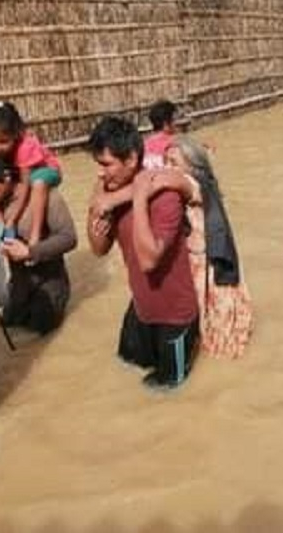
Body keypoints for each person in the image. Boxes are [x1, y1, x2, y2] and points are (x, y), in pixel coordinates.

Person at [86, 116, 200, 389]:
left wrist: (137, 199)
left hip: (175, 318)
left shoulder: (166, 197)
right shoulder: (108, 190)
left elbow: (148, 261)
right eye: (98, 164)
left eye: (106, 164)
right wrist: (96, 214)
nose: (100, 173)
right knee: (124, 370)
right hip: (140, 309)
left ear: (132, 159)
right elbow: (99, 249)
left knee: (168, 393)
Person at [148, 137, 253, 358]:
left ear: (194, 167)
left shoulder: (193, 184)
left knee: (218, 338)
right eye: (165, 161)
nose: (168, 168)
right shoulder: (199, 185)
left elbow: (175, 182)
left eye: (174, 162)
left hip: (211, 266)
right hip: (201, 263)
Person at [0, 149, 77, 336]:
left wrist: (30, 252)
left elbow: (69, 237)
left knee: (41, 333)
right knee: (6, 329)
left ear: (7, 177)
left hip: (50, 283)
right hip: (19, 285)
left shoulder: (46, 197)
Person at [0, 101, 63, 247]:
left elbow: (25, 185)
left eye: (4, 142)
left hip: (45, 169)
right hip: (21, 173)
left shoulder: (25, 147)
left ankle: (35, 234)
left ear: (15, 135)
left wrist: (13, 220)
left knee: (37, 183)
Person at [144, 99, 179, 170]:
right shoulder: (175, 143)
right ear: (166, 123)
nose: (177, 123)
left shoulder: (145, 145)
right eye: (174, 120)